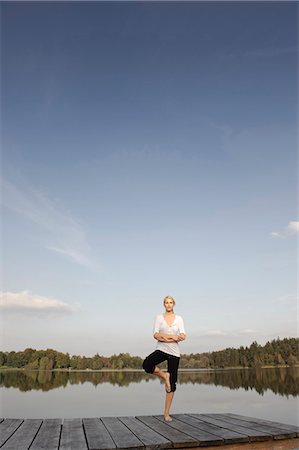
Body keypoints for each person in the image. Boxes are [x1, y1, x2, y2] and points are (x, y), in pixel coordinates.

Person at [142, 295, 186, 422]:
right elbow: (155, 334)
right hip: (161, 349)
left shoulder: (179, 319)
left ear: (174, 304)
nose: (169, 304)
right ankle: (164, 376)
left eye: (171, 302)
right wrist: (171, 336)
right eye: (166, 302)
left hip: (174, 352)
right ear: (164, 304)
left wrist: (166, 336)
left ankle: (166, 414)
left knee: (172, 384)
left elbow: (183, 335)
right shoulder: (159, 318)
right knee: (147, 365)